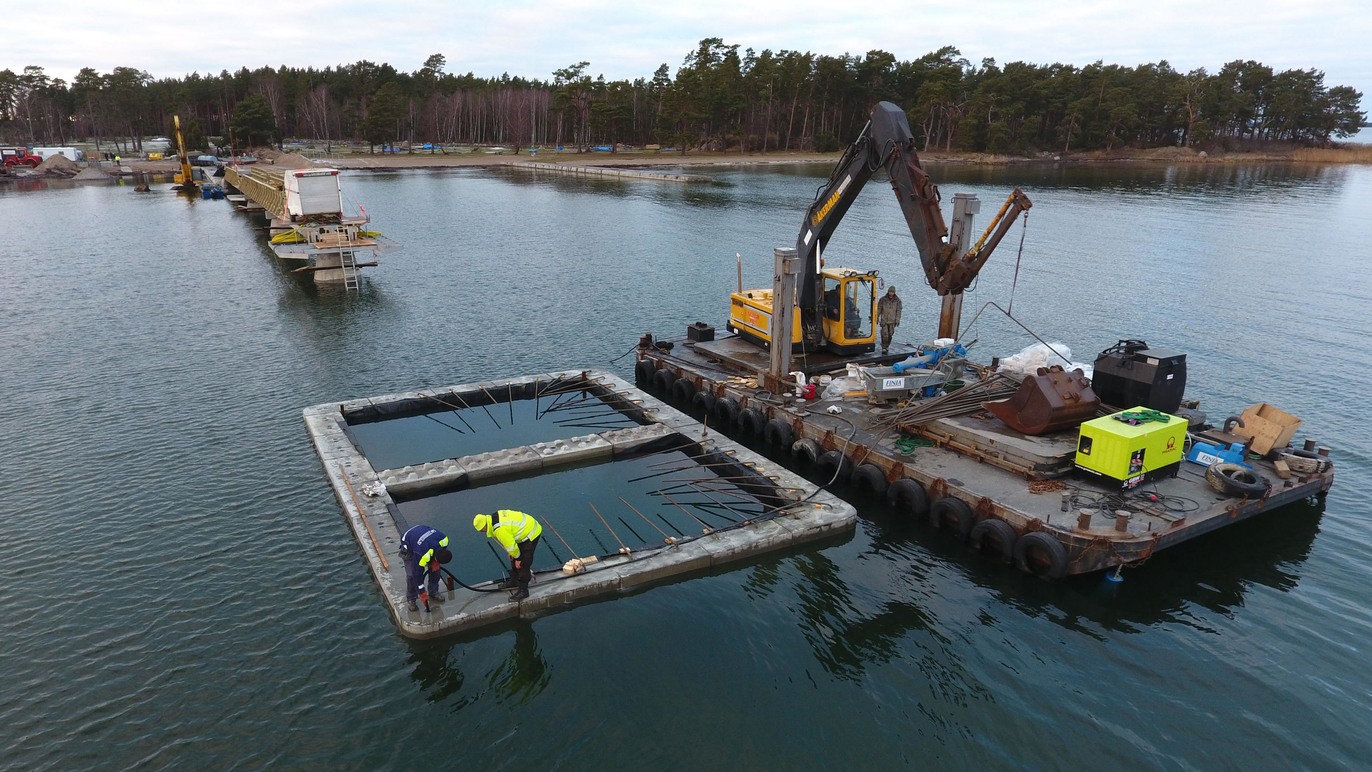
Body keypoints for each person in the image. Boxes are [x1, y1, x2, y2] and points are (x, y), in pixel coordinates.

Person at [473, 510, 543, 601]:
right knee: (514, 557)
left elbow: (511, 546)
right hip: (525, 528)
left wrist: (518, 558)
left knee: (523, 563)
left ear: (484, 526)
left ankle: (523, 591)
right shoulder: (493, 517)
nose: (483, 532)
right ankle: (514, 581)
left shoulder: (499, 530)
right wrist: (513, 554)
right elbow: (510, 541)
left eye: (482, 530)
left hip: (531, 533)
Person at [399, 524, 452, 612]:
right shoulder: (422, 554)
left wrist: (435, 563)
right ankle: (411, 598)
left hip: (423, 534)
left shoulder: (444, 540)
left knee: (436, 569)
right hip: (408, 541)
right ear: (435, 557)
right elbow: (417, 573)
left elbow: (441, 551)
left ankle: (433, 591)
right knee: (411, 575)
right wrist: (422, 592)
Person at [877, 285, 903, 354]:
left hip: (892, 321)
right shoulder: (883, 299)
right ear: (888, 292)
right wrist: (876, 317)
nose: (891, 293)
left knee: (890, 334)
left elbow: (899, 311)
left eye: (892, 292)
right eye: (890, 291)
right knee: (884, 334)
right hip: (884, 320)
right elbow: (879, 309)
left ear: (894, 292)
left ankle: (887, 345)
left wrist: (897, 320)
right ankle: (884, 347)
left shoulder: (898, 301)